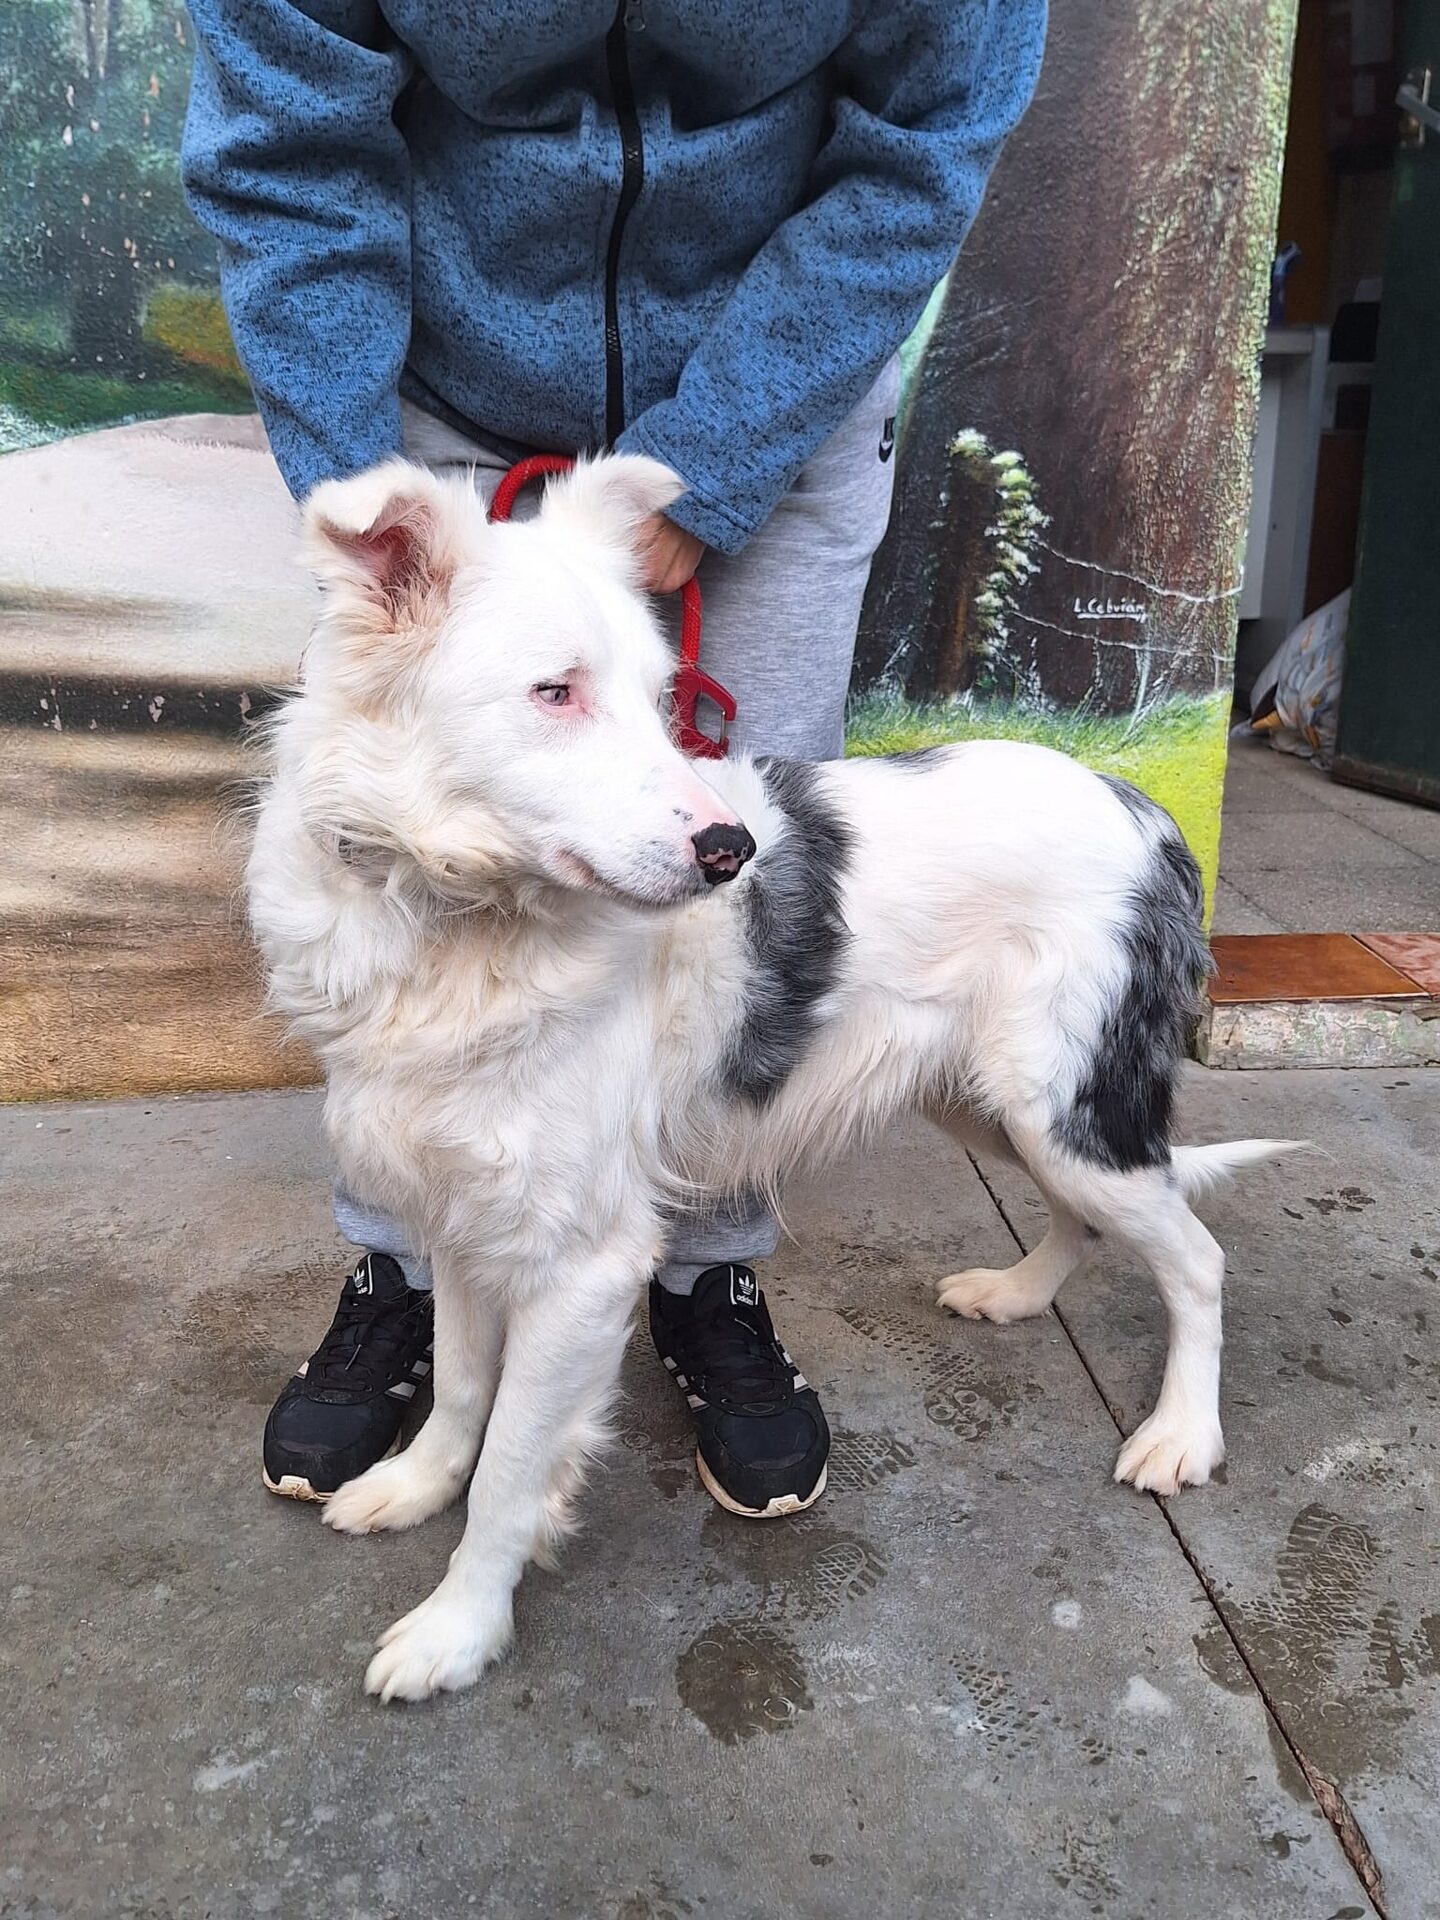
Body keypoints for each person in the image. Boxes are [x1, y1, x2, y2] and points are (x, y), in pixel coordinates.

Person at [181, 0, 1046, 1519]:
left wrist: (717, 460)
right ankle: (405, 1255)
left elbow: (924, 142)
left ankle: (705, 1270)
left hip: (774, 376)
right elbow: (288, 144)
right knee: (391, 872)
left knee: (722, 895)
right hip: (435, 381)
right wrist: (374, 515)